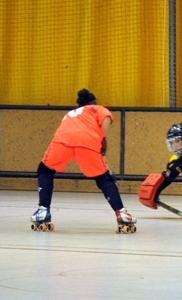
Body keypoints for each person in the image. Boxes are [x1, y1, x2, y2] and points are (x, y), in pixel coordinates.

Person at [31, 89, 136, 230]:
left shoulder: (70, 114)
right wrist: (102, 139)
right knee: (103, 177)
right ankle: (121, 213)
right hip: (87, 140)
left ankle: (43, 210)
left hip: (63, 140)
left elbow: (68, 129)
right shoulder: (97, 108)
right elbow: (106, 117)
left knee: (45, 170)